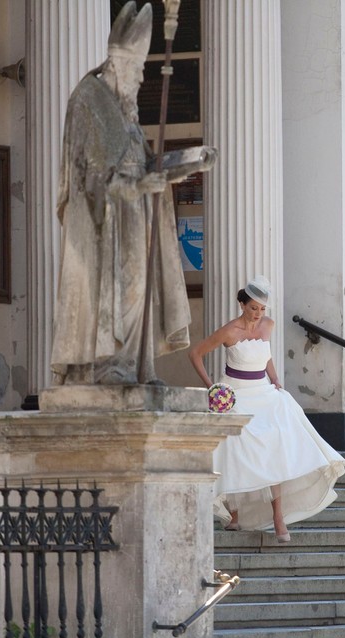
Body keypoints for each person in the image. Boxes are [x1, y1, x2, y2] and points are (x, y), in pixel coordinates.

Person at [50, 1, 215, 386]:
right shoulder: (89, 100)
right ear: (119, 66)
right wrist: (138, 185)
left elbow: (147, 164)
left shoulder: (128, 113)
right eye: (139, 70)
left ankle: (138, 366)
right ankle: (107, 364)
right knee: (120, 288)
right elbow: (88, 179)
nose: (142, 79)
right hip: (103, 222)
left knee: (142, 288)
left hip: (136, 214)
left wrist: (191, 160)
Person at [189, 275, 345, 542]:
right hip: (236, 395)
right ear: (242, 304)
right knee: (236, 449)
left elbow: (266, 356)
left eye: (262, 309)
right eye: (253, 308)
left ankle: (278, 517)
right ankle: (234, 513)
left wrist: (274, 378)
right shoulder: (229, 331)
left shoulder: (268, 325)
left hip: (264, 392)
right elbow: (195, 354)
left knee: (276, 446)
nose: (258, 314)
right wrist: (212, 388)